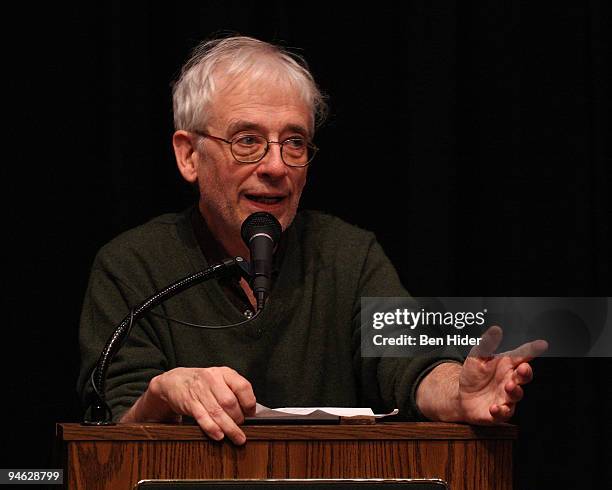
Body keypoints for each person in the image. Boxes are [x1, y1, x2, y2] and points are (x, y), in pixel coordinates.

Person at [77, 36, 546, 446]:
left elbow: (409, 366)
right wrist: (161, 395)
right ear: (188, 155)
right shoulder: (131, 266)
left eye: (295, 143)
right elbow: (115, 432)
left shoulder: (348, 254)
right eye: (247, 140)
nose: (276, 166)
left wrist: (458, 393)